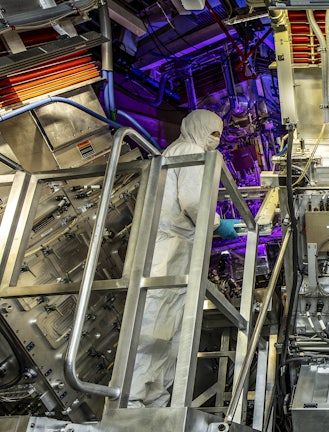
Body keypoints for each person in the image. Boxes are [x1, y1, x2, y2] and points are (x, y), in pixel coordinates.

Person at [129, 109, 241, 407]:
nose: (215, 139)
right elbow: (193, 201)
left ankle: (153, 401)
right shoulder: (190, 150)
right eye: (212, 132)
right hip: (168, 251)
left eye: (219, 134)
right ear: (197, 127)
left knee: (169, 330)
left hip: (176, 249)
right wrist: (219, 224)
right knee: (155, 329)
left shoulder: (174, 150)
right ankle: (136, 400)